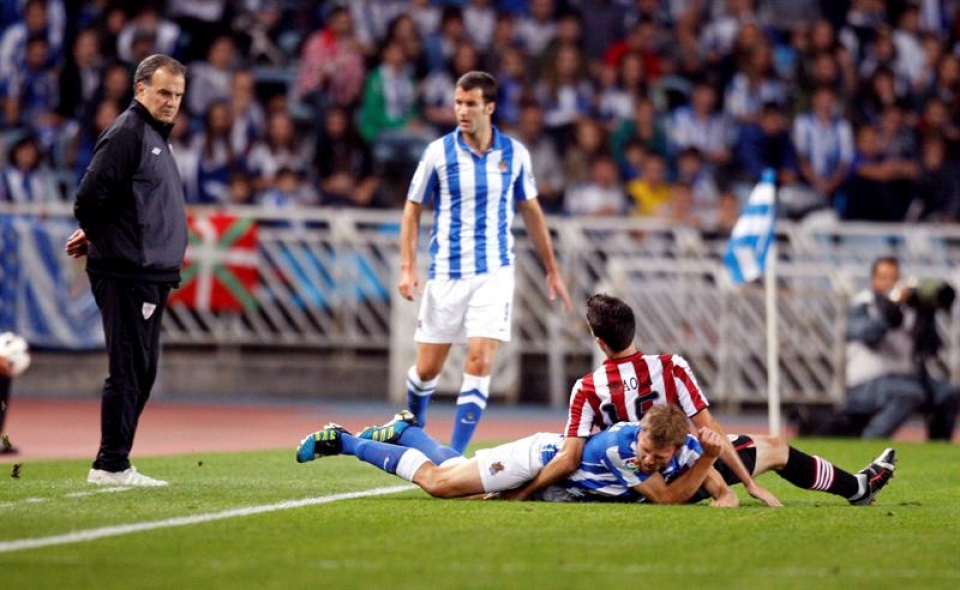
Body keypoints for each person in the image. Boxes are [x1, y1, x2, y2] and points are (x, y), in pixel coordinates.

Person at [398, 70, 572, 453]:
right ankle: (412, 425)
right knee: (427, 370)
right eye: (458, 103)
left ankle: (455, 455)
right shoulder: (438, 153)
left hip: (495, 272)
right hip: (446, 273)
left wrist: (552, 270)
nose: (462, 110)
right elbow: (412, 210)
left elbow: (531, 211)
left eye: (470, 104)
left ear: (489, 107)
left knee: (479, 358)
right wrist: (408, 267)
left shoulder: (515, 154)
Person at [295, 405, 897, 506]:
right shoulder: (620, 450)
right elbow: (666, 495)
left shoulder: (678, 443)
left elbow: (702, 479)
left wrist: (719, 478)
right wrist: (714, 471)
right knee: (440, 483)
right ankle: (344, 440)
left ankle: (856, 489)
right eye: (647, 448)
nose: (646, 456)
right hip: (540, 458)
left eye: (656, 451)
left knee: (771, 448)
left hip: (561, 476)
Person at [500, 293, 783, 506]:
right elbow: (708, 427)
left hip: (619, 473)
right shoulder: (671, 366)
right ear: (634, 329)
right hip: (676, 462)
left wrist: (524, 493)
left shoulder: (587, 386)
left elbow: (570, 456)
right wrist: (748, 483)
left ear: (599, 342)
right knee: (777, 450)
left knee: (468, 482)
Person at [64, 54, 188, 487]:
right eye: (163, 93)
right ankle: (110, 464)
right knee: (129, 368)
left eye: (177, 95)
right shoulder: (128, 134)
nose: (171, 102)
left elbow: (117, 201)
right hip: (127, 273)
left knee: (142, 369)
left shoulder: (152, 134)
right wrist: (100, 236)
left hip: (147, 273)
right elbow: (88, 198)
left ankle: (116, 460)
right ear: (140, 90)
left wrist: (98, 232)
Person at [798, 256, 959, 440]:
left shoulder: (911, 308)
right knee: (909, 393)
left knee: (949, 393)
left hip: (907, 378)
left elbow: (932, 349)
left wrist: (927, 314)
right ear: (873, 280)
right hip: (867, 382)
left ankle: (937, 449)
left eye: (893, 277)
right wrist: (891, 308)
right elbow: (868, 335)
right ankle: (870, 442)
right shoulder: (863, 304)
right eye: (883, 277)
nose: (889, 282)